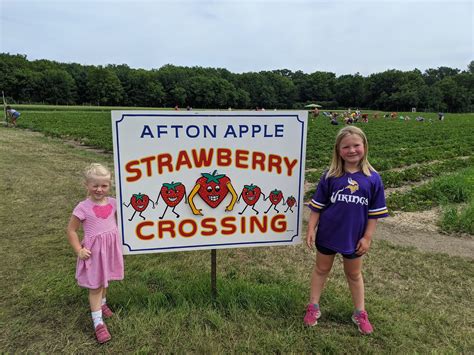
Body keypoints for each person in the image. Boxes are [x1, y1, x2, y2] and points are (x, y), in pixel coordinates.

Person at [304, 126, 388, 335]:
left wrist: (367, 237)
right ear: (338, 150)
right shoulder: (331, 175)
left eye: (356, 145)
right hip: (328, 233)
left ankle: (360, 312)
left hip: (354, 237)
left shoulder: (373, 178)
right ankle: (313, 306)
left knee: (354, 274)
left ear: (364, 146)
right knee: (321, 269)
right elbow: (318, 206)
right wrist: (311, 228)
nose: (352, 150)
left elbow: (374, 214)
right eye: (346, 146)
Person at [67, 163, 124, 344]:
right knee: (96, 286)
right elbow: (71, 230)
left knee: (105, 279)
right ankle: (98, 322)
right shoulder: (83, 207)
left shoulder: (114, 203)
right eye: (95, 185)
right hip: (93, 253)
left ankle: (103, 303)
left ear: (109, 185)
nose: (99, 189)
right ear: (87, 185)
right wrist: (79, 250)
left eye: (104, 185)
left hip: (109, 251)